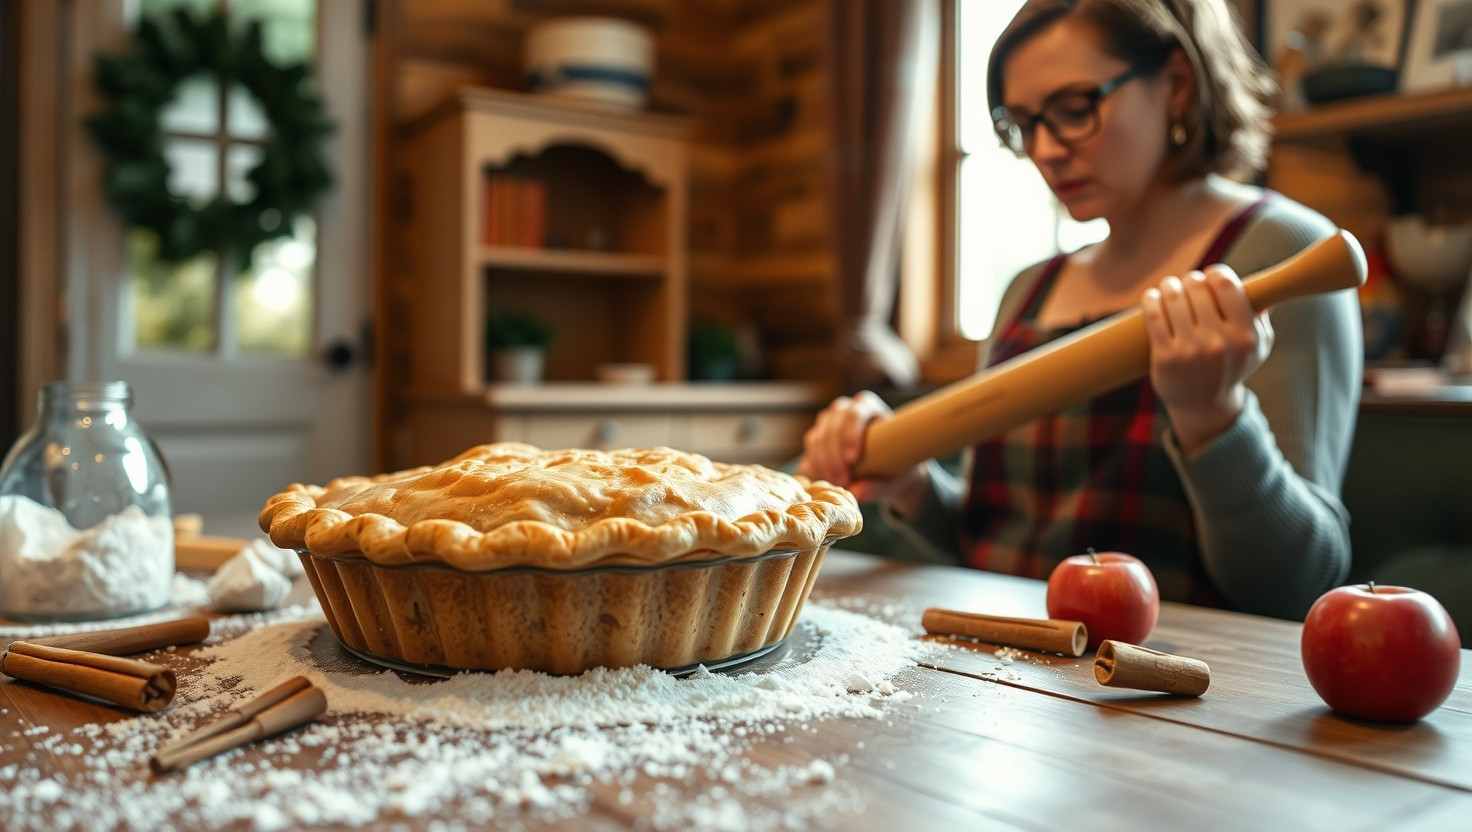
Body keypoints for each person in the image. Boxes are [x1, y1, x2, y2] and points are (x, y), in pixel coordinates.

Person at [798, 0, 1363, 621]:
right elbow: (995, 540)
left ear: (1176, 84)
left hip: (1159, 673)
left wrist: (1213, 416)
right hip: (995, 665)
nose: (1045, 149)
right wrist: (914, 487)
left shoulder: (1280, 253)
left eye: (1073, 109)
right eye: (1023, 124)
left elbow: (1298, 583)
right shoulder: (1028, 290)